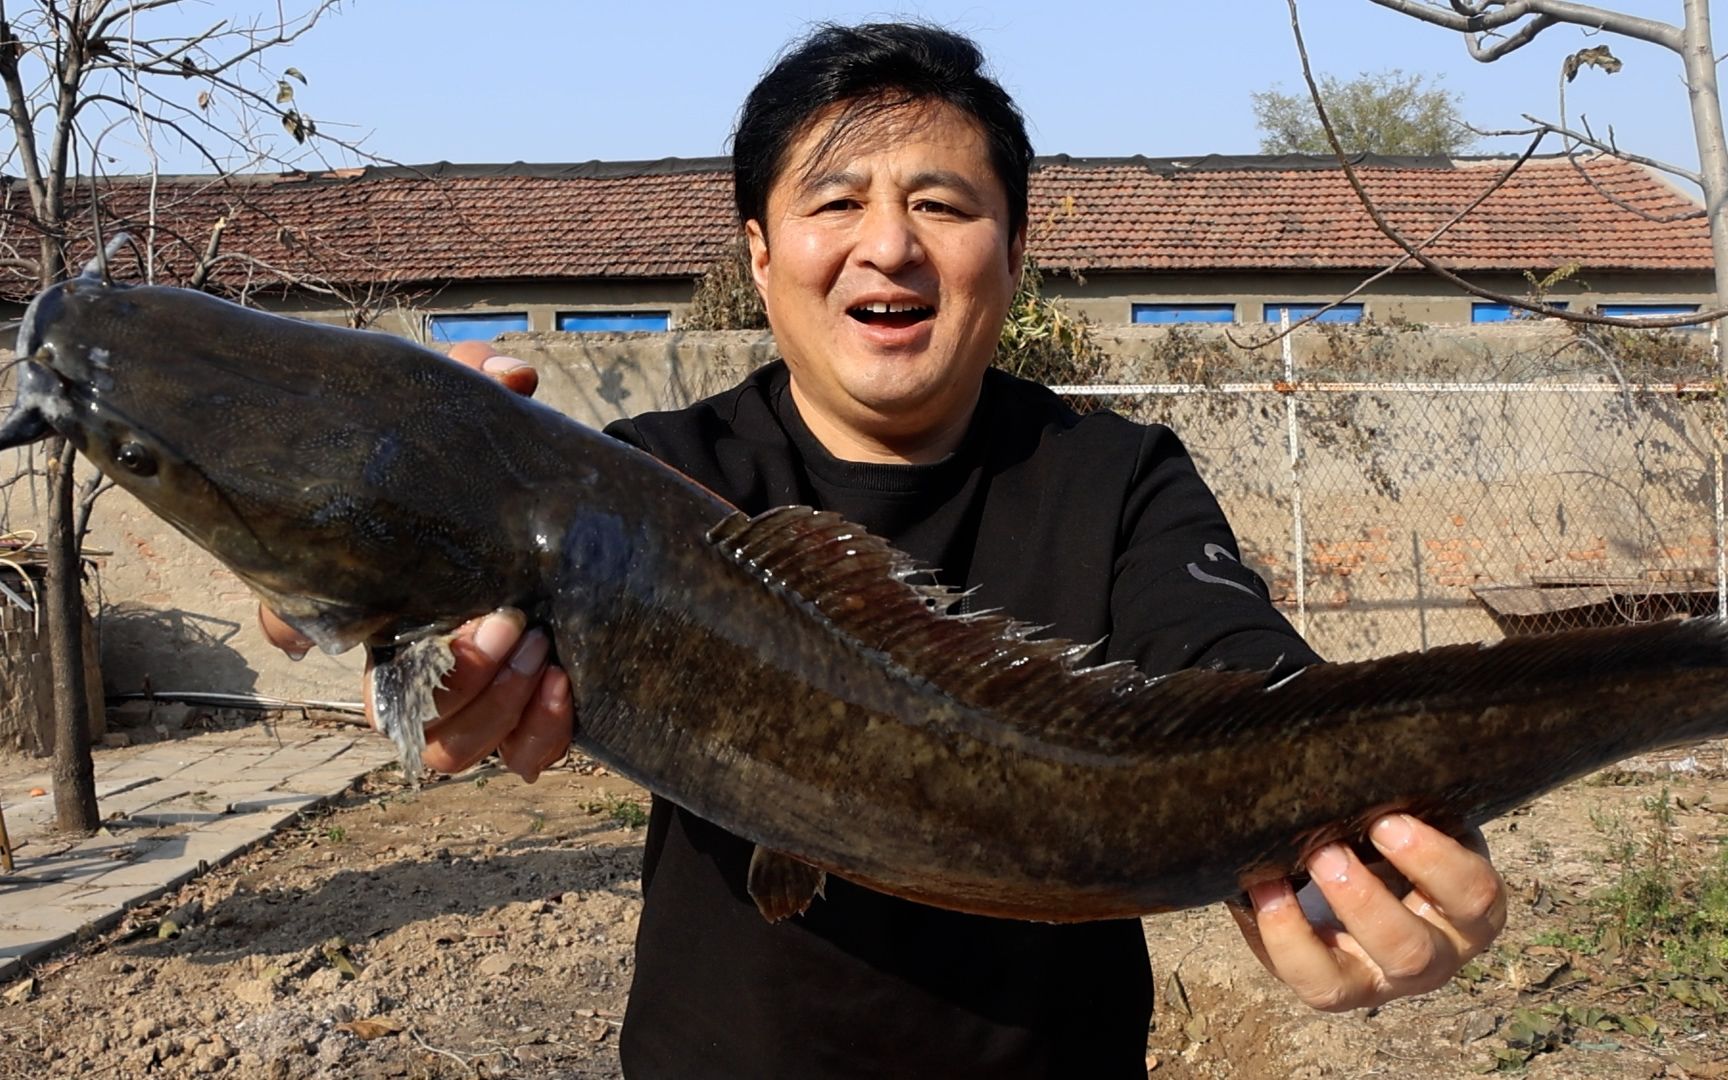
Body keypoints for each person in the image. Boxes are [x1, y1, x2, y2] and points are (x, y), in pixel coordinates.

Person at [263, 22, 1506, 1078]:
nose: (890, 245)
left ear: (1013, 254)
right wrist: (355, 513)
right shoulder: (649, 481)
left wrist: (1371, 838)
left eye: (942, 204)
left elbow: (1253, 689)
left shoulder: (1116, 477)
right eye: (836, 201)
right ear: (759, 254)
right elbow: (420, 568)